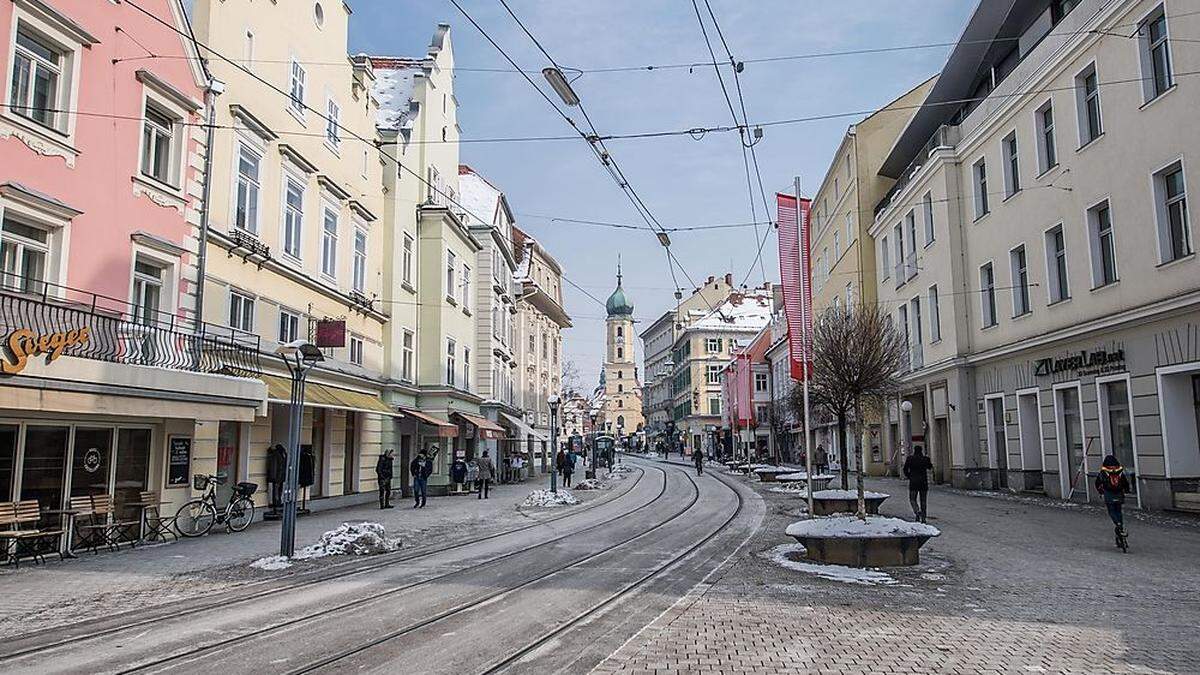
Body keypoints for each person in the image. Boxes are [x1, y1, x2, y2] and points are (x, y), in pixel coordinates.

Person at [1095, 454, 1131, 542]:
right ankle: (1121, 527)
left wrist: (1101, 491)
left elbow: (1097, 483)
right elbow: (1125, 482)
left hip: (1109, 493)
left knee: (1111, 511)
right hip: (1119, 493)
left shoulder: (1104, 472)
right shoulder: (1120, 471)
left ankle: (1117, 524)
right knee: (1118, 511)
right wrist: (1126, 490)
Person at [903, 446, 932, 523]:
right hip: (923, 482)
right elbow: (930, 467)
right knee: (923, 501)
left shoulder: (910, 458)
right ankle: (923, 518)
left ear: (914, 450)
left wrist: (909, 476)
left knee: (912, 499)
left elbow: (905, 469)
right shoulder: (925, 459)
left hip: (913, 482)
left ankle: (917, 511)